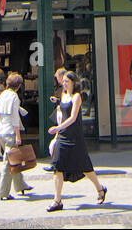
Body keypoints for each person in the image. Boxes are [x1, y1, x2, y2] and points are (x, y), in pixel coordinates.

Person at [45, 71, 107, 212]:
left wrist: (58, 128)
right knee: (57, 167)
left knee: (85, 167)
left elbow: (73, 117)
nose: (64, 83)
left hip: (74, 136)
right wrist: (58, 104)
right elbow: (62, 111)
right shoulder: (63, 94)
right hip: (63, 135)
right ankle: (57, 201)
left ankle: (100, 189)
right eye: (64, 81)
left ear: (74, 82)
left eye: (67, 81)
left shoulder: (77, 96)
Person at [0, 72, 32, 201]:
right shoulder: (14, 97)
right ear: (19, 85)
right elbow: (15, 118)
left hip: (1, 131)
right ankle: (2, 192)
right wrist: (18, 135)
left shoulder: (2, 94)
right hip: (10, 132)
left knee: (14, 159)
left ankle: (21, 185)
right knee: (8, 162)